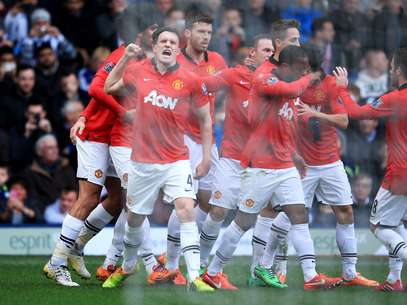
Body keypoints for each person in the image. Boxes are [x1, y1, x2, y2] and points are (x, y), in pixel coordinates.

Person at [203, 46, 342, 290]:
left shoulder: (290, 79)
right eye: (300, 68)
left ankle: (310, 276)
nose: (304, 73)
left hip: (285, 164)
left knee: (299, 214)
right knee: (243, 222)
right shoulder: (265, 77)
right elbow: (292, 90)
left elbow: (285, 121)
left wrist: (295, 154)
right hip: (260, 166)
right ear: (286, 66)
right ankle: (213, 271)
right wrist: (309, 77)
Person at [101, 26, 214, 292]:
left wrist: (207, 157)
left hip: (177, 159)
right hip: (142, 161)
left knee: (187, 208)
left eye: (172, 42)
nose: (167, 45)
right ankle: (128, 266)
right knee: (134, 219)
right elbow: (108, 87)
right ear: (155, 46)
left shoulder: (191, 79)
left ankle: (195, 275)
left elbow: (206, 119)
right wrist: (126, 58)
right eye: (162, 40)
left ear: (178, 48)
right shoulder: (138, 70)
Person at [42, 31, 130, 287]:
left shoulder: (153, 61)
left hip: (117, 139)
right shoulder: (123, 54)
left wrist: (82, 114)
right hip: (96, 135)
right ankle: (56, 264)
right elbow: (95, 87)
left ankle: (77, 246)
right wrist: (88, 118)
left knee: (117, 200)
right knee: (89, 197)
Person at [293, 46, 378, 287]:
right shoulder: (293, 85)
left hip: (330, 162)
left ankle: (350, 273)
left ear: (311, 65)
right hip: (302, 164)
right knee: (294, 217)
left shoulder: (330, 85)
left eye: (302, 64)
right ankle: (307, 274)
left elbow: (343, 120)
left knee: (345, 212)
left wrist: (314, 113)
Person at [196, 34, 274, 290]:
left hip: (261, 161)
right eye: (265, 49)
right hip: (232, 157)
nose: (270, 53)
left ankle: (230, 271)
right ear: (252, 53)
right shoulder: (232, 75)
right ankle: (201, 264)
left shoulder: (275, 83)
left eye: (272, 50)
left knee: (250, 218)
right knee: (218, 211)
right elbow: (203, 86)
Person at [333, 47, 407, 291]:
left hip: (400, 174)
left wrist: (342, 88)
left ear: (397, 70)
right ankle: (394, 280)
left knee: (378, 226)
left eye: (392, 65)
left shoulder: (394, 99)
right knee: (396, 224)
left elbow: (355, 113)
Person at [163, 11, 227, 285]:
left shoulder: (218, 61)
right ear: (187, 33)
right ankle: (172, 264)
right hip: (180, 138)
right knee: (184, 201)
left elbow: (221, 90)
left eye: (209, 33)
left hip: (207, 137)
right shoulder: (174, 60)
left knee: (211, 201)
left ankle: (193, 259)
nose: (205, 37)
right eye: (201, 32)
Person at [23, 134, 77, 214]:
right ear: (39, 151)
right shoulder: (30, 172)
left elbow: (75, 191)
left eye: (56, 147)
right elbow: (33, 199)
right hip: (43, 218)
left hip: (68, 213)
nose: (54, 150)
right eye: (50, 148)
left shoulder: (67, 168)